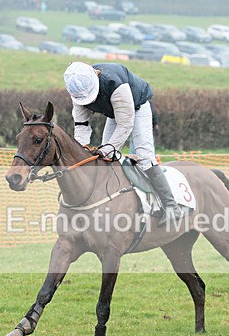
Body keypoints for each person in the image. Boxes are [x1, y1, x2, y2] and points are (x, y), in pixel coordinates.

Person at [63, 61, 186, 225]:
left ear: (95, 80)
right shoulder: (78, 91)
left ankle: (171, 206)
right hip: (114, 113)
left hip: (137, 107)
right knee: (106, 160)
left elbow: (125, 124)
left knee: (145, 157)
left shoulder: (116, 85)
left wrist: (108, 149)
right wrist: (81, 150)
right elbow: (81, 126)